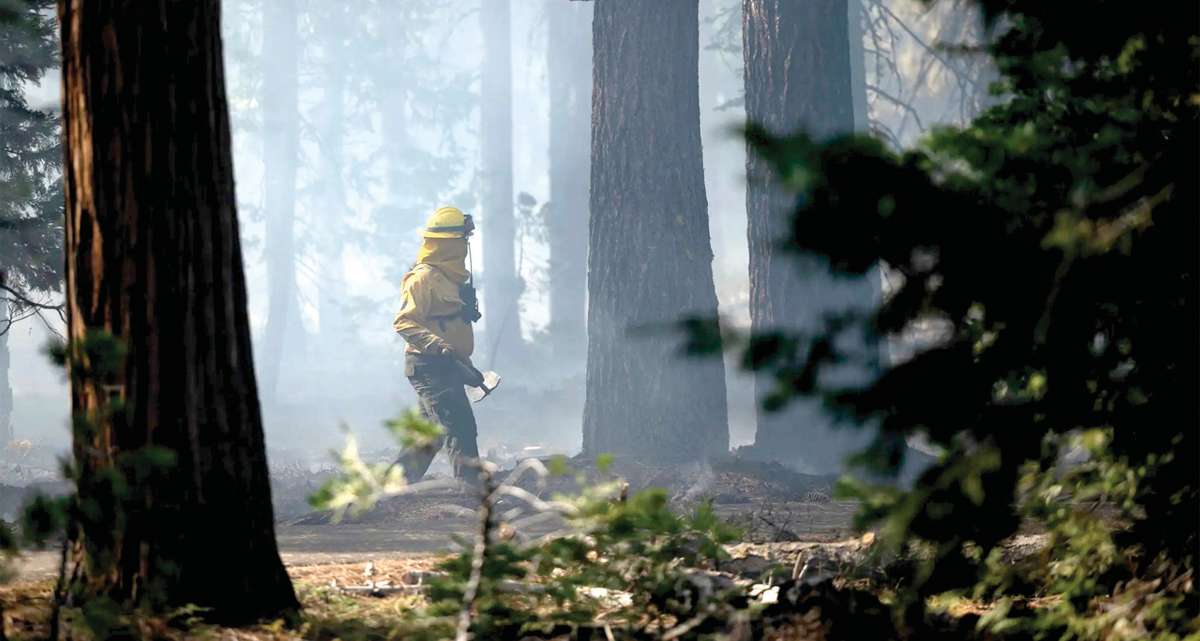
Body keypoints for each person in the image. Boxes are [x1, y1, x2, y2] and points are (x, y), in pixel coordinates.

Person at [392, 206, 486, 485]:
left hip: (447, 366)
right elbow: (403, 322)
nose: (464, 247)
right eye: (461, 240)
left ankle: (389, 491)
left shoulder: (450, 279)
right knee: (460, 427)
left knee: (427, 438)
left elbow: (451, 328)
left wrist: (465, 365)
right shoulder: (422, 279)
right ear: (446, 244)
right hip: (429, 366)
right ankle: (471, 493)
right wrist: (438, 346)